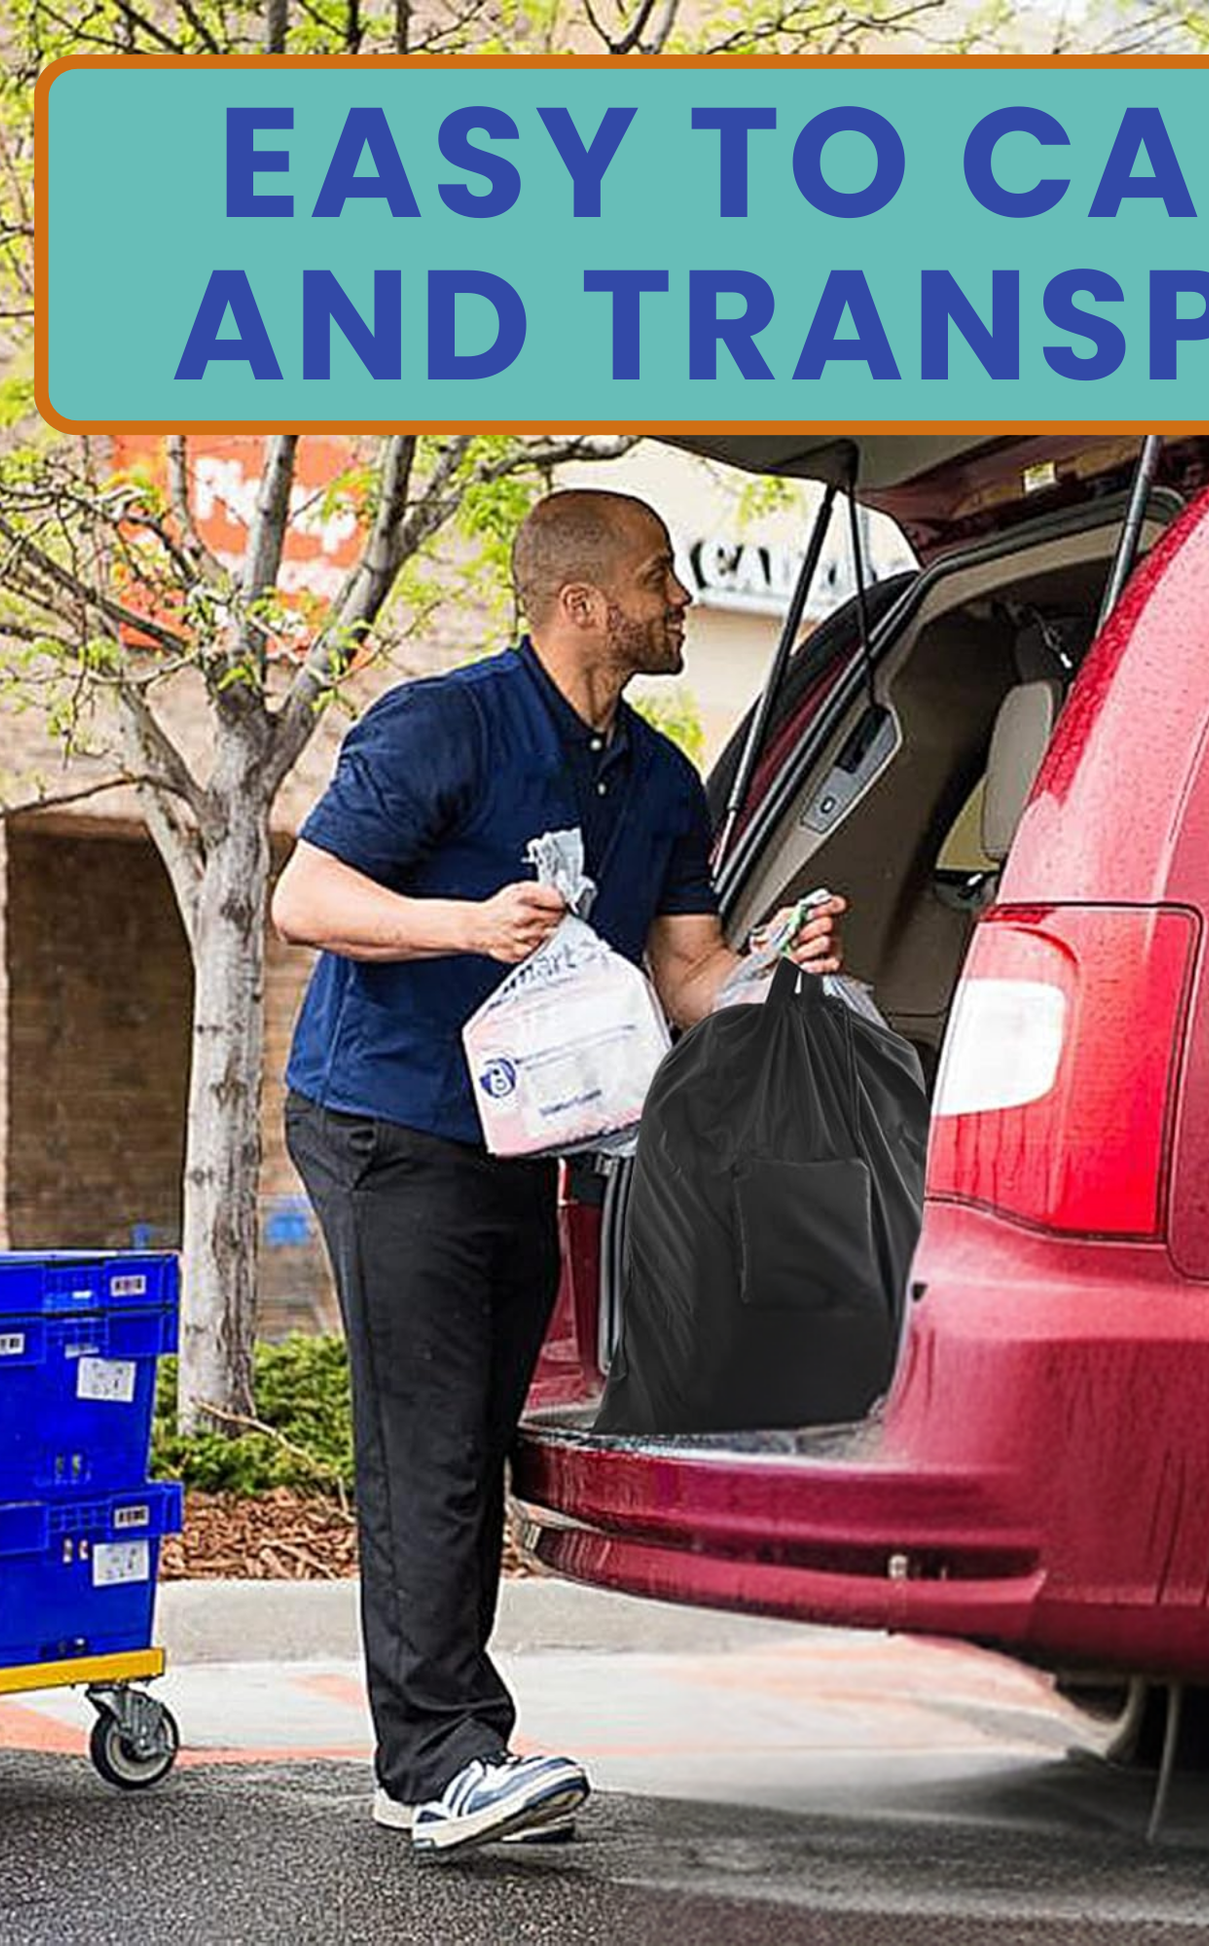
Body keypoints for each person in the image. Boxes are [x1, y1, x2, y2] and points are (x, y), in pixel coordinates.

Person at [272, 488, 846, 1856]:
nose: (680, 602)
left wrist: (779, 973)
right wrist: (462, 923)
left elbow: (688, 972)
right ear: (581, 602)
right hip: (383, 1118)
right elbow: (307, 895)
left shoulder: (653, 773)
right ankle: (434, 1760)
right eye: (660, 579)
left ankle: (446, 1744)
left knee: (472, 1432)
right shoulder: (442, 725)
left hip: (520, 1142)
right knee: (426, 1438)